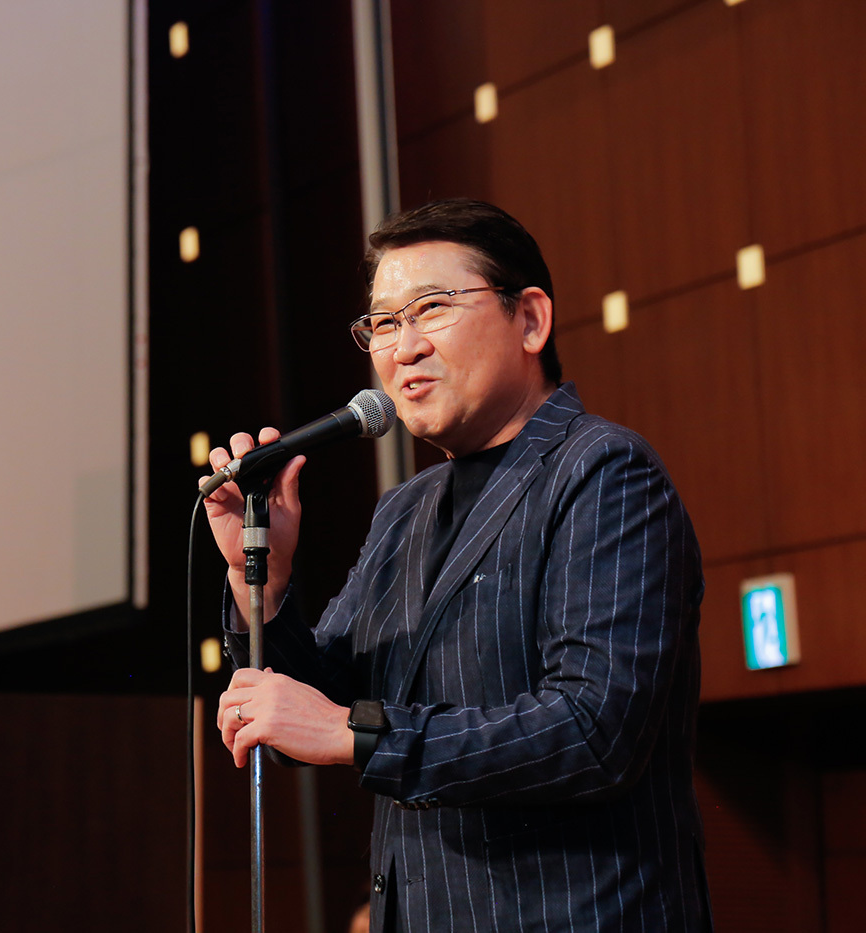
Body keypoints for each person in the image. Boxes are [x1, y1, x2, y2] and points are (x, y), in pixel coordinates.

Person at [204, 199, 709, 931]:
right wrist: (266, 582)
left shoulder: (603, 471)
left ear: (529, 319)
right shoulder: (404, 510)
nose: (403, 347)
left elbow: (593, 732)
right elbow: (315, 710)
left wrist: (357, 732)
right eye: (383, 323)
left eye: (432, 308)